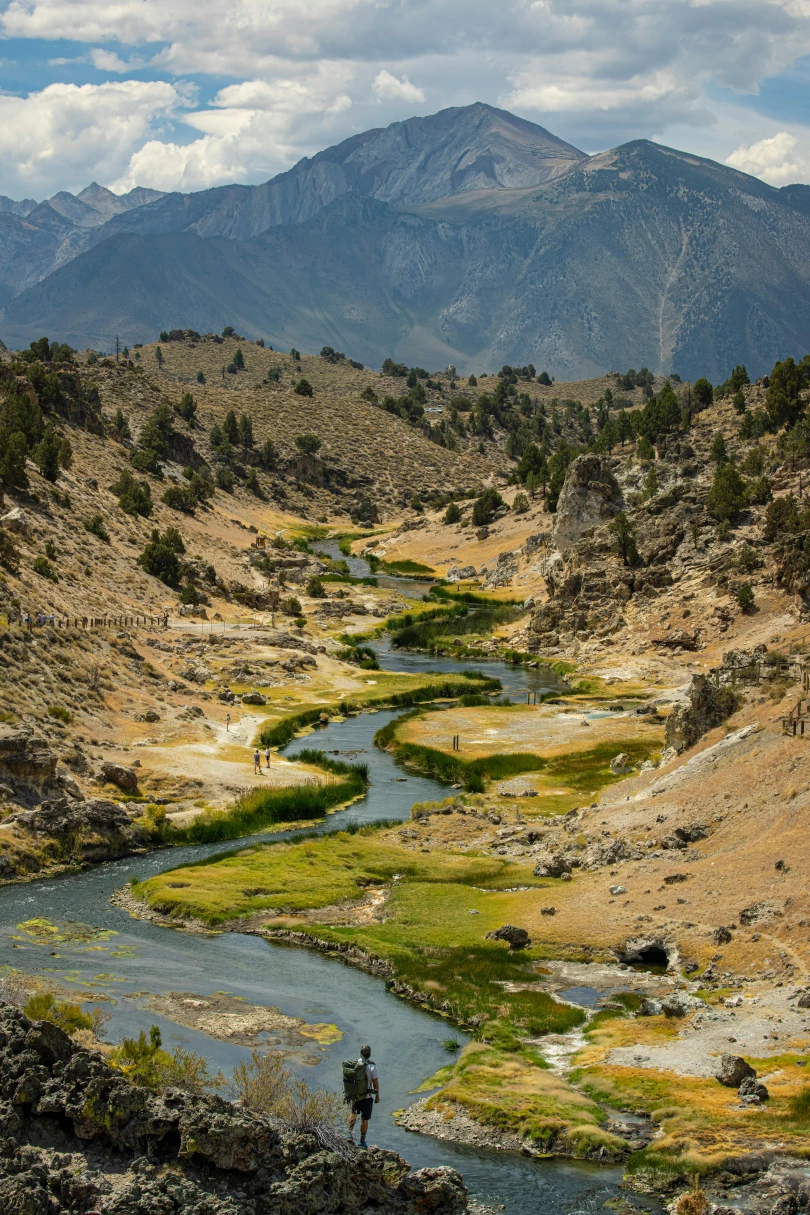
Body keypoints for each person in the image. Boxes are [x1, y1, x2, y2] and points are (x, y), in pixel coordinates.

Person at [347, 1045, 379, 1148]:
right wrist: (377, 1095)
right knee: (364, 1119)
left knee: (353, 1113)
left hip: (356, 1095)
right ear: (370, 1054)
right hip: (367, 1096)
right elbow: (375, 1083)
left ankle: (349, 1134)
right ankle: (362, 1141)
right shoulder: (371, 1067)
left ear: (360, 1053)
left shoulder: (356, 1063)